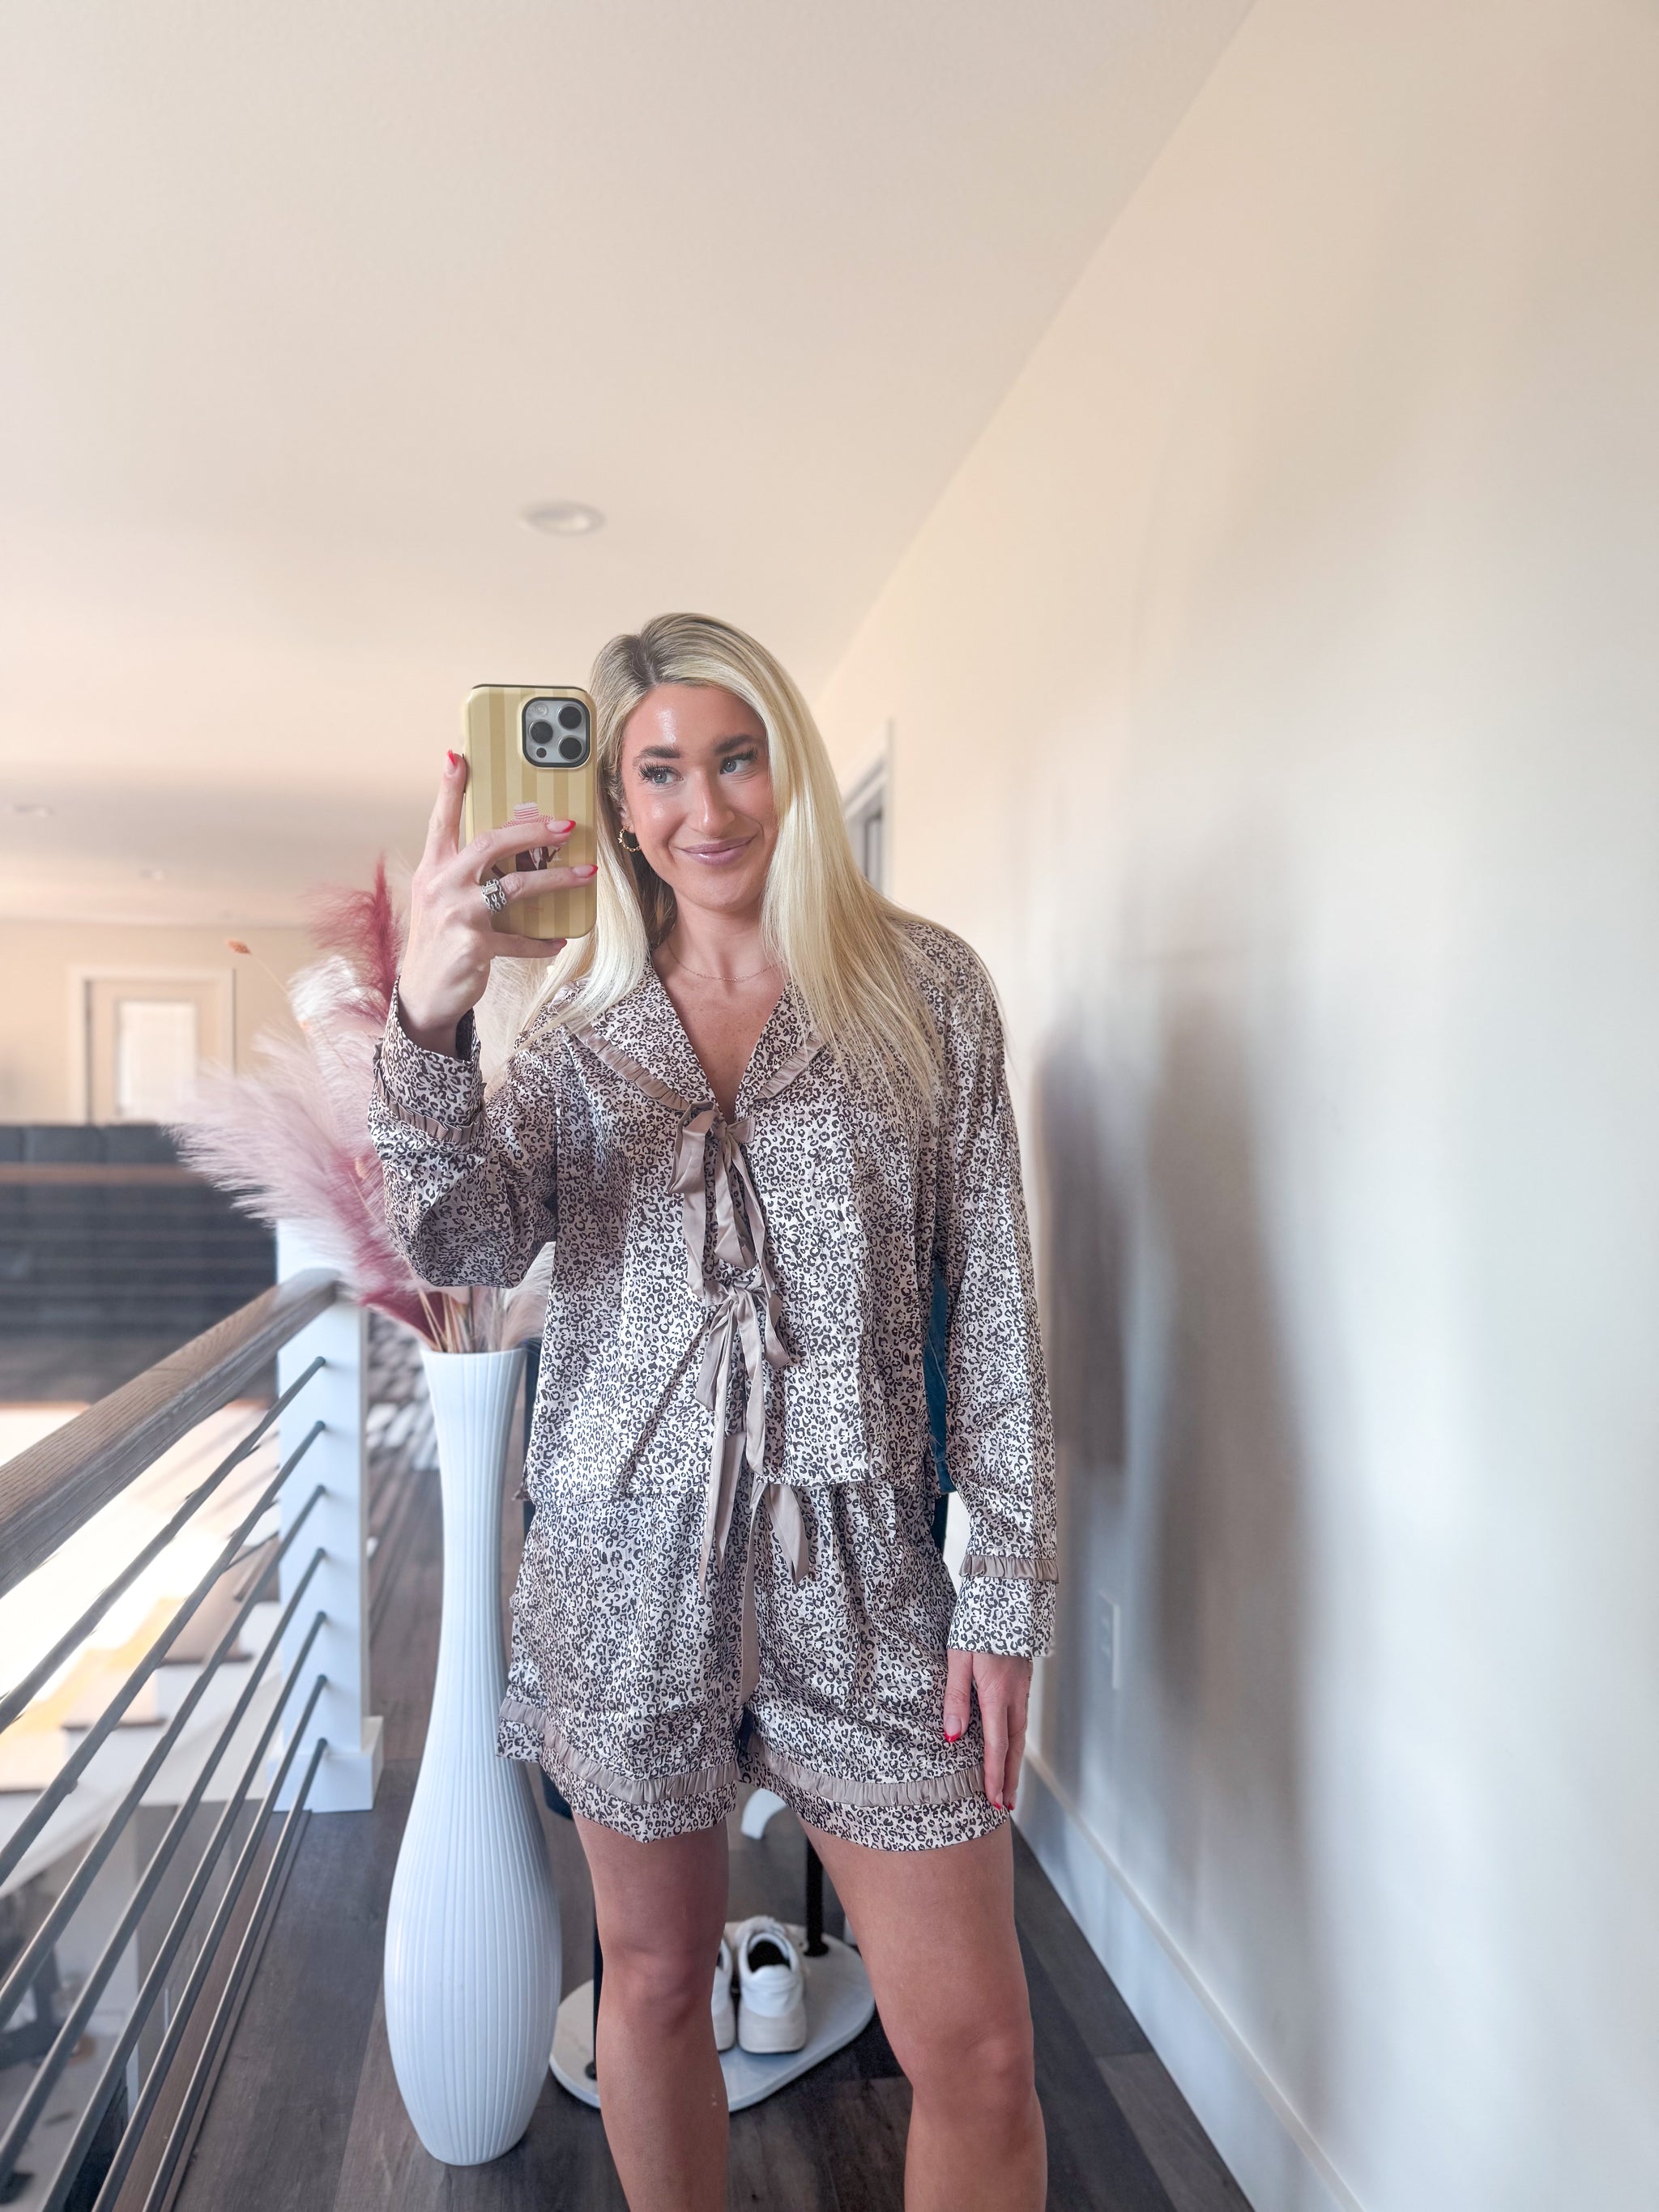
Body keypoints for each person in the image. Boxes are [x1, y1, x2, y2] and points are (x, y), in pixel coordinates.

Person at [370, 613, 1056, 2211]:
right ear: (616, 806)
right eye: (661, 772)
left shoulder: (925, 991)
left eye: (735, 757)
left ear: (787, 764)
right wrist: (427, 1025)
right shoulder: (575, 1026)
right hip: (622, 1575)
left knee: (979, 2052)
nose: (706, 806)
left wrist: (1007, 1582)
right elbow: (462, 1243)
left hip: (869, 1581)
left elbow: (995, 1307)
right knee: (657, 1981)